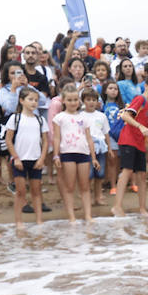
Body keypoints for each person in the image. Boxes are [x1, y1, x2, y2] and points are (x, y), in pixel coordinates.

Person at [112, 74, 148, 217]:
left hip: (139, 142)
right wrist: (141, 127)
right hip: (128, 140)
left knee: (141, 175)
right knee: (127, 171)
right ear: (146, 86)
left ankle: (142, 209)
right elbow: (126, 116)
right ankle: (116, 206)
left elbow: (145, 126)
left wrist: (147, 141)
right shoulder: (140, 99)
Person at [4, 87, 49, 228]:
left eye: (36, 100)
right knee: (21, 192)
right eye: (30, 99)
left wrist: (42, 159)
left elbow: (46, 141)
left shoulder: (40, 120)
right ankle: (18, 221)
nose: (33, 102)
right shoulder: (15, 118)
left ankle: (39, 220)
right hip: (20, 161)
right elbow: (8, 140)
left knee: (36, 192)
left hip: (36, 159)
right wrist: (16, 157)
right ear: (22, 100)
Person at [51, 84, 94, 223]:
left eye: (75, 99)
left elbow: (89, 138)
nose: (73, 102)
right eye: (69, 100)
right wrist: (56, 155)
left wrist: (93, 157)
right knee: (69, 186)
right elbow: (57, 137)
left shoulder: (84, 117)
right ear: (63, 101)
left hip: (83, 152)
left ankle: (88, 215)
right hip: (67, 153)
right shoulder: (59, 117)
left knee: (85, 186)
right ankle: (72, 217)